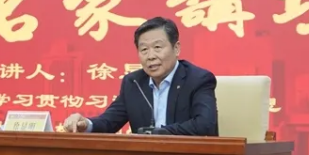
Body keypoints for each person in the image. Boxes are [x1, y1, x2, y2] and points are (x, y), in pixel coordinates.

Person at [64, 17, 219, 136]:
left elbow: (205, 125)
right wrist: (86, 124)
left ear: (176, 48)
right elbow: (109, 122)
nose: (150, 56)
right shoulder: (134, 83)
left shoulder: (198, 79)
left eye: (157, 47)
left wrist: (159, 133)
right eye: (144, 49)